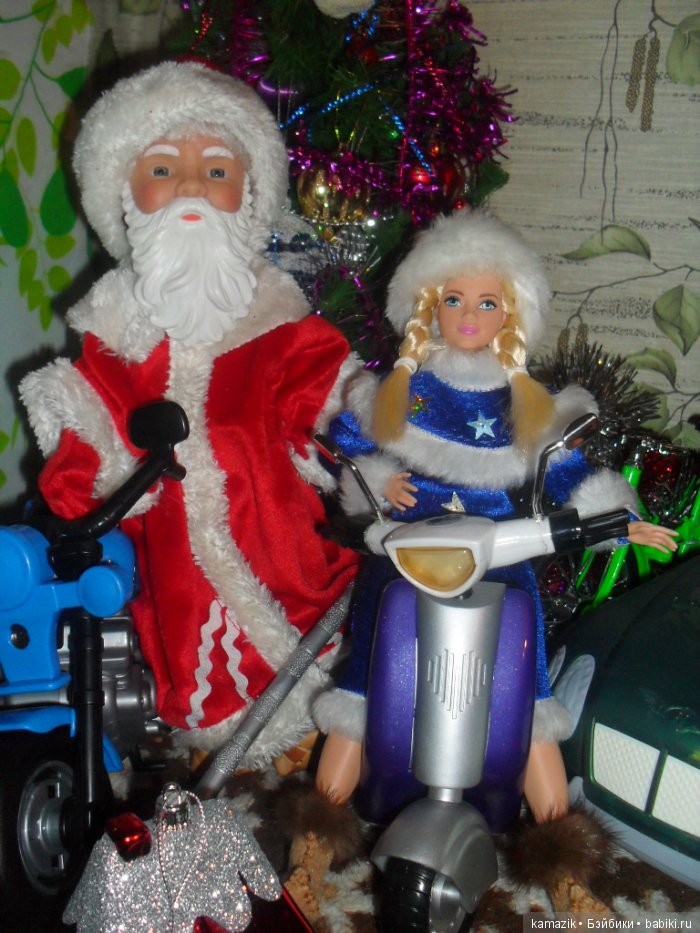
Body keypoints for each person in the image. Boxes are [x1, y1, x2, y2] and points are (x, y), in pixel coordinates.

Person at [308, 208, 676, 908]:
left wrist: (617, 520)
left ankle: (564, 860)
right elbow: (347, 449)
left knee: (528, 694)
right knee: (361, 684)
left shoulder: (524, 403)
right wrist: (380, 481)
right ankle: (316, 835)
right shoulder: (403, 392)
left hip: (502, 555)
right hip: (407, 552)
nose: (470, 315)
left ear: (511, 313)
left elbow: (569, 473)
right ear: (428, 306)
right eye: (454, 299)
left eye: (487, 301)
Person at [19, 60, 361, 765]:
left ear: (249, 195)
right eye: (162, 169)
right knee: (206, 697)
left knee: (324, 693)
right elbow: (88, 452)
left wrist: (385, 430)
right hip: (182, 584)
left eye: (216, 170)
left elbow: (343, 407)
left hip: (290, 568)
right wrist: (85, 473)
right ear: (126, 196)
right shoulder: (111, 343)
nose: (191, 189)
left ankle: (319, 758)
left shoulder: (280, 327)